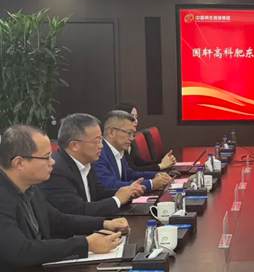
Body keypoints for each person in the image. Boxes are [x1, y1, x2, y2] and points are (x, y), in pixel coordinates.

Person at [0, 125, 129, 268]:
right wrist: (86, 244)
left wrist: (103, 223)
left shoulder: (30, 187)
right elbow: (20, 251)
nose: (52, 162)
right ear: (19, 163)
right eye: (46, 157)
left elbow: (57, 220)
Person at [40, 113, 145, 216]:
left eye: (101, 140)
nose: (101, 146)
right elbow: (78, 211)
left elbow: (98, 194)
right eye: (97, 141)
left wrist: (127, 193)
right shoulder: (57, 171)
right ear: (74, 145)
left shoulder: (87, 163)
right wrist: (117, 200)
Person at [94, 110, 172, 192]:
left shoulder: (118, 150)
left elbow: (130, 174)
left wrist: (156, 175)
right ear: (111, 132)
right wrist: (151, 184)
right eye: (129, 133)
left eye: (133, 134)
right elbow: (109, 185)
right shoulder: (98, 153)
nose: (132, 138)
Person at [113, 103, 177, 172]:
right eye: (132, 117)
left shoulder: (129, 138)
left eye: (136, 117)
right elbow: (132, 171)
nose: (136, 121)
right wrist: (161, 165)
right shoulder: (118, 142)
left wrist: (163, 162)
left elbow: (140, 164)